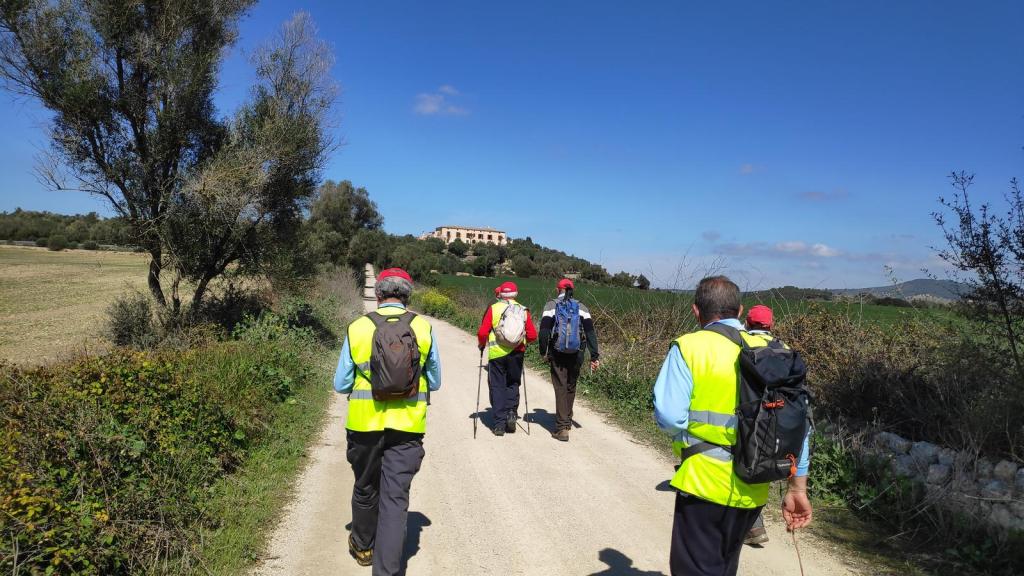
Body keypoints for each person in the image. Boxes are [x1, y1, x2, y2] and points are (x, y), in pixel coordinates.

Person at [653, 276, 812, 576]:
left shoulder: (690, 347)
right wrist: (797, 487)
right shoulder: (776, 351)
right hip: (754, 484)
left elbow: (669, 415)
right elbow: (799, 425)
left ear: (696, 312)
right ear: (740, 311)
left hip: (703, 483)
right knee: (724, 566)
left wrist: (689, 440)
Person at [333, 267, 441, 575]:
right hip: (408, 427)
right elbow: (435, 381)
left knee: (366, 487)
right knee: (395, 500)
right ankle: (387, 571)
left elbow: (341, 384)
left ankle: (363, 546)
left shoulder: (358, 327)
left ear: (378, 295)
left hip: (364, 424)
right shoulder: (423, 328)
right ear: (408, 295)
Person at [538, 278, 600, 442]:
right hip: (577, 352)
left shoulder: (551, 305)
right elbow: (590, 333)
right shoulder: (582, 307)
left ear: (557, 289)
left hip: (557, 352)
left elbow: (544, 331)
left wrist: (542, 351)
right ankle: (567, 420)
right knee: (571, 385)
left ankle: (561, 428)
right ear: (572, 290)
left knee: (560, 386)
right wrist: (594, 355)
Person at [477, 281, 538, 436]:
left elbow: (483, 332)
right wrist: (521, 342)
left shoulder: (494, 308)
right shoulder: (523, 310)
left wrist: (481, 345)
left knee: (497, 386)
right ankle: (511, 413)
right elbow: (532, 335)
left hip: (497, 353)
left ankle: (499, 424)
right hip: (517, 353)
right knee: (513, 383)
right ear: (516, 294)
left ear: (500, 294)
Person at [741, 304, 777, 547]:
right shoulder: (782, 349)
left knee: (743, 469)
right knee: (759, 471)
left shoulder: (740, 342)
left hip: (747, 415)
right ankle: (755, 526)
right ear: (771, 326)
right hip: (775, 420)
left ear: (747, 323)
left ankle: (752, 526)